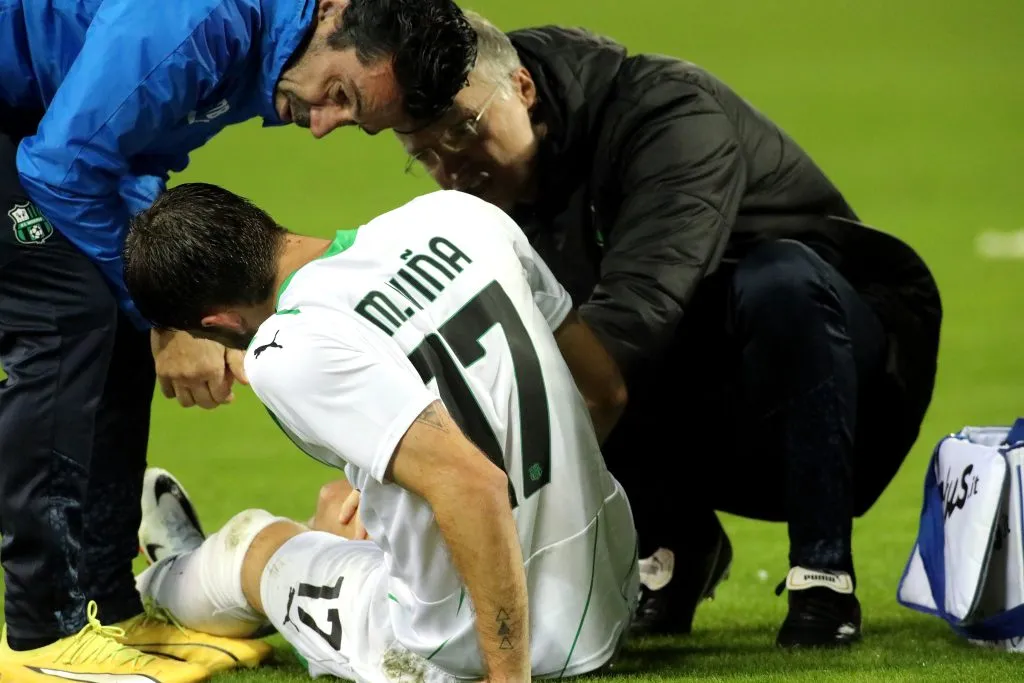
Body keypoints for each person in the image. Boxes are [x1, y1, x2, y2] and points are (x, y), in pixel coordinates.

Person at [394, 12, 943, 648]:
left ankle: (823, 574)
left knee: (773, 280)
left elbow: (640, 313)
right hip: (704, 386)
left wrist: (494, 476)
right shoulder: (491, 198)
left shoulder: (669, 112)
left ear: (522, 87)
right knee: (551, 341)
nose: (453, 166)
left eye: (465, 129)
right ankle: (677, 545)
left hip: (846, 386)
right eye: (426, 154)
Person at [0, 1, 476, 680]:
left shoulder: (264, 54)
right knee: (70, 311)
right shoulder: (195, 21)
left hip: (31, 125)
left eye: (349, 119)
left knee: (112, 301)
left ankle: (104, 603)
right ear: (334, 12)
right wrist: (166, 317)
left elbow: (127, 160)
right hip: (35, 142)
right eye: (337, 95)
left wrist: (157, 304)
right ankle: (41, 634)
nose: (319, 124)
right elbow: (63, 171)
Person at [121, 183, 640, 682]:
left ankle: (159, 584)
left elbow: (471, 483)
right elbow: (605, 393)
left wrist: (506, 675)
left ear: (221, 321)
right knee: (350, 510)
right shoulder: (460, 215)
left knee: (252, 546)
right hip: (607, 597)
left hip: (456, 649)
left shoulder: (285, 349)